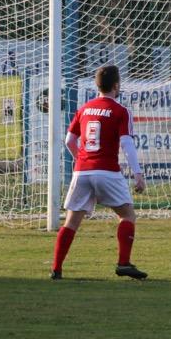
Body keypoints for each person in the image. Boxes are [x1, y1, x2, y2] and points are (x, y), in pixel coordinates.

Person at [51, 65, 147, 280]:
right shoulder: (120, 111)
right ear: (116, 85)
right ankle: (123, 263)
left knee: (71, 222)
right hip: (107, 171)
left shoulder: (84, 108)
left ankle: (56, 268)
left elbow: (69, 141)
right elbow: (126, 143)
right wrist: (138, 173)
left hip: (82, 172)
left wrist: (81, 158)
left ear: (98, 86)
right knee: (127, 215)